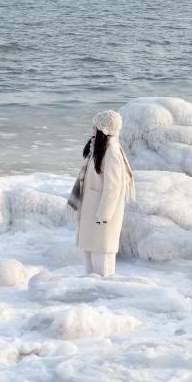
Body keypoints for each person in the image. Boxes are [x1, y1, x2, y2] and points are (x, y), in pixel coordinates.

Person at [76, 110, 136, 277]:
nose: (92, 128)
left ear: (105, 129)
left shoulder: (112, 153)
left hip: (102, 218)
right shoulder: (98, 150)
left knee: (103, 268)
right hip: (92, 216)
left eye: (96, 125)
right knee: (90, 264)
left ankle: (103, 298)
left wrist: (103, 215)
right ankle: (90, 296)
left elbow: (113, 187)